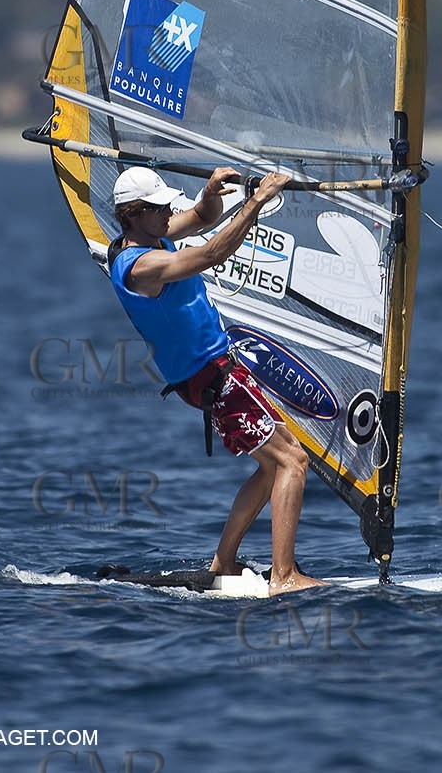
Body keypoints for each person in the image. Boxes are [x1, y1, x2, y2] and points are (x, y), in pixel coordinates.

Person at [108, 164, 327, 594]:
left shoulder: (152, 233)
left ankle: (224, 563)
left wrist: (210, 192)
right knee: (292, 461)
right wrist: (257, 201)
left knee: (271, 468)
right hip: (214, 377)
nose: (168, 212)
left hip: (214, 373)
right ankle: (284, 577)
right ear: (133, 214)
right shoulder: (142, 266)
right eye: (157, 208)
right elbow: (209, 254)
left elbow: (203, 218)